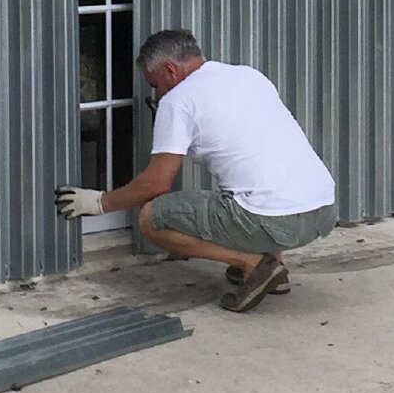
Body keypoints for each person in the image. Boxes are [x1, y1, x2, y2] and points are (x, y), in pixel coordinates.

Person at [55, 29, 338, 313]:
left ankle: (254, 266)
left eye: (155, 84)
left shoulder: (178, 100)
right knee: (247, 188)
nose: (157, 92)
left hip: (275, 220)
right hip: (322, 211)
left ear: (170, 70)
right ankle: (274, 268)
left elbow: (157, 183)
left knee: (152, 218)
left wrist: (98, 202)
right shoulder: (248, 76)